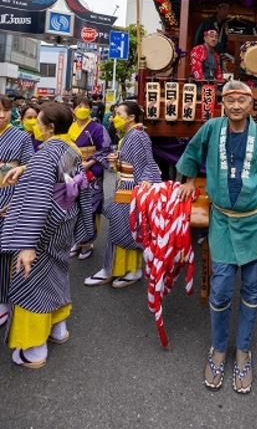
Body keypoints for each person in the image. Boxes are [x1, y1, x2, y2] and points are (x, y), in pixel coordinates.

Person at [176, 80, 257, 394]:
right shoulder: (212, 128)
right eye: (230, 100)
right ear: (223, 103)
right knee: (219, 288)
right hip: (221, 220)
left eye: (241, 100)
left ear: (249, 104)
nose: (235, 106)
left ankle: (243, 350)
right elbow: (193, 150)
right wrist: (189, 179)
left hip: (255, 221)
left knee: (253, 287)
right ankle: (218, 347)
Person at [0, 102, 93, 368]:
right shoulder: (70, 147)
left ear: (50, 128)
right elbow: (61, 174)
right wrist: (25, 170)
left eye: (38, 122)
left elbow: (36, 201)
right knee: (57, 273)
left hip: (43, 227)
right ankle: (58, 329)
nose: (35, 126)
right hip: (64, 221)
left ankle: (35, 348)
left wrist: (27, 245)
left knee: (30, 283)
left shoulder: (44, 155)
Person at [84, 101, 162, 288]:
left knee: (122, 229)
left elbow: (146, 165)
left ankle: (114, 270)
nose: (114, 117)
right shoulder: (133, 134)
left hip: (131, 187)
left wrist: (143, 188)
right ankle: (125, 269)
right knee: (127, 229)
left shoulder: (137, 136)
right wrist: (117, 159)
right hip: (127, 185)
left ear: (131, 117)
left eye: (119, 113)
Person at [0, 95, 34, 327]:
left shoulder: (21, 137)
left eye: (6, 110)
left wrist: (19, 201)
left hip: (6, 198)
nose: (2, 115)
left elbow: (29, 170)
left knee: (4, 252)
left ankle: (3, 300)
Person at [68, 96, 112, 260]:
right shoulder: (68, 127)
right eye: (79, 106)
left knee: (89, 208)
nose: (82, 109)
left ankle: (87, 242)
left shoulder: (98, 128)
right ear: (72, 109)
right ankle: (76, 241)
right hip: (71, 172)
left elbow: (105, 150)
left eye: (86, 106)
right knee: (72, 208)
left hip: (91, 175)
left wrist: (90, 164)